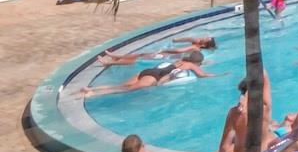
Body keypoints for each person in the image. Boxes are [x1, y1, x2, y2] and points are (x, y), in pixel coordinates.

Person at [84, 51, 214, 96]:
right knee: (125, 90)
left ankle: (91, 89)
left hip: (148, 71)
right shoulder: (191, 65)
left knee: (121, 85)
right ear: (197, 63)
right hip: (153, 78)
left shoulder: (179, 60)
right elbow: (202, 75)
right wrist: (216, 76)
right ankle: (93, 94)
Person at [97, 36, 217, 66]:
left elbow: (178, 50)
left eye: (206, 38)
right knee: (141, 55)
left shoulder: (194, 48)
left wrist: (164, 50)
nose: (204, 36)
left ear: (204, 44)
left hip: (167, 58)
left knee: (139, 59)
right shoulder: (195, 44)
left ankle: (110, 62)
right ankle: (115, 56)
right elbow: (178, 40)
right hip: (168, 56)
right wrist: (189, 39)